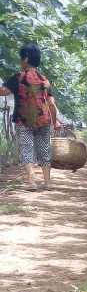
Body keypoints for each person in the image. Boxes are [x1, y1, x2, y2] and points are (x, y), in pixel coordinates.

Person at [0, 44, 62, 190]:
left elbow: (3, 92)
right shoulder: (45, 80)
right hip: (43, 120)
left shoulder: (19, 78)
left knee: (26, 149)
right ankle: (47, 182)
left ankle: (31, 182)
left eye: (21, 59)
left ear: (26, 59)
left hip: (24, 120)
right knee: (45, 149)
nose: (20, 61)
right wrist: (55, 121)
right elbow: (51, 104)